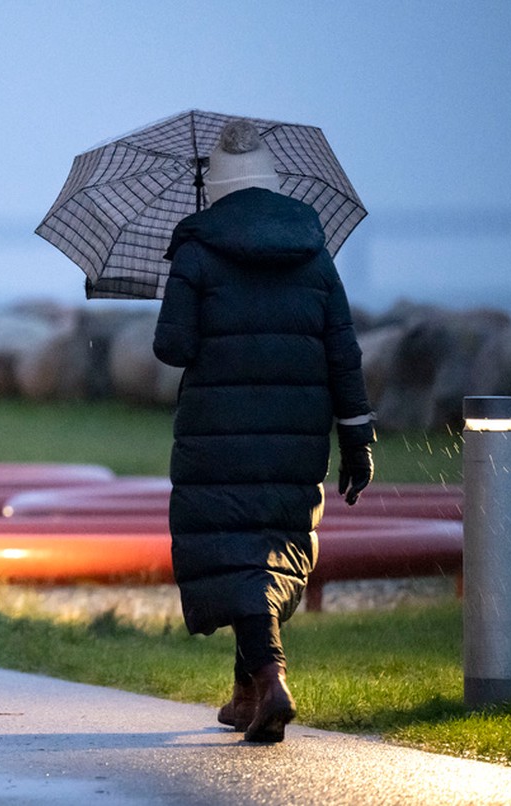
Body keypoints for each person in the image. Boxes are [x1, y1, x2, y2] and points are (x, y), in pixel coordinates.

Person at [152, 119, 375, 743]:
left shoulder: (197, 248)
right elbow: (343, 349)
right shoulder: (313, 249)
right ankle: (246, 694)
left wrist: (187, 287)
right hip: (297, 432)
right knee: (270, 546)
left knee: (232, 549)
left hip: (216, 433)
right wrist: (357, 436)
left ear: (215, 189)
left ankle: (273, 679)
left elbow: (172, 347)